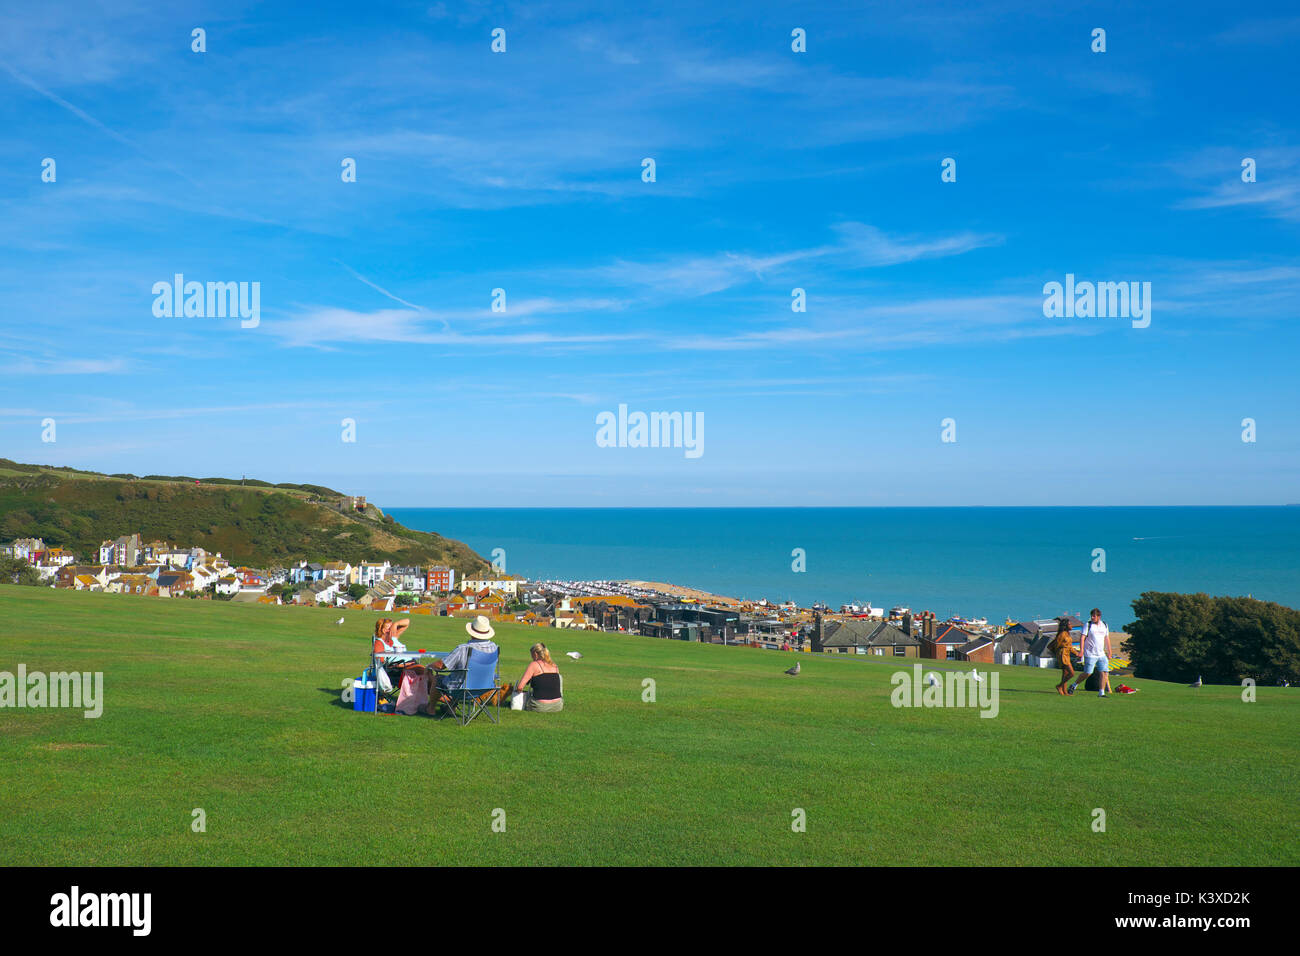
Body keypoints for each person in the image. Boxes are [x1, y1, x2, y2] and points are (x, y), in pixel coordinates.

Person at [430, 615, 499, 706]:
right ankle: (451, 709)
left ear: (471, 632)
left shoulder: (463, 649)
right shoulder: (494, 647)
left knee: (438, 678)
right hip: (485, 687)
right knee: (460, 676)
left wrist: (429, 666)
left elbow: (441, 666)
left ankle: (430, 708)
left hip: (462, 688)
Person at [1069, 608, 1113, 697]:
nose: (1092, 618)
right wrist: (1081, 651)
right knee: (1088, 673)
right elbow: (1082, 638)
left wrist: (1109, 651)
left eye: (1094, 616)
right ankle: (1074, 685)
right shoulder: (1088, 625)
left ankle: (1101, 693)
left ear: (1099, 616)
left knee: (1104, 672)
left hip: (1101, 654)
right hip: (1090, 654)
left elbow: (1107, 638)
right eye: (1091, 616)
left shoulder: (1104, 625)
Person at [513, 642, 564, 713]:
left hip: (540, 706)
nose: (532, 658)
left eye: (532, 655)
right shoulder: (554, 665)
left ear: (535, 654)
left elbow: (520, 687)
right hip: (558, 706)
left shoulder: (534, 665)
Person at [1051, 615, 1075, 695]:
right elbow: (1056, 645)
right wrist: (1059, 653)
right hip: (1063, 655)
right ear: (1066, 626)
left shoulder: (1067, 634)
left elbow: (1070, 646)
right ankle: (1059, 686)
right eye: (1070, 624)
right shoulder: (1062, 634)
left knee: (1065, 673)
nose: (1072, 625)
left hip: (1067, 654)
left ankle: (1064, 691)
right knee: (1072, 673)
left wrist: (1076, 653)